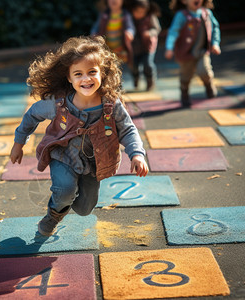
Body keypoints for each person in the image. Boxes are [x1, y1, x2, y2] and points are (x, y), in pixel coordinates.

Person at [9, 36, 149, 237]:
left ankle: (65, 203)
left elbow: (127, 129)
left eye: (92, 72)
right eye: (78, 74)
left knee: (84, 209)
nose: (86, 79)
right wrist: (19, 143)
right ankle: (53, 214)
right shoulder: (58, 104)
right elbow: (32, 115)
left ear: (102, 73)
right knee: (65, 190)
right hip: (63, 155)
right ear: (69, 78)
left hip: (93, 163)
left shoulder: (111, 104)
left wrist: (137, 154)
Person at [164, 0, 221, 107]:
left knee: (204, 71)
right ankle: (184, 92)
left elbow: (215, 28)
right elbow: (173, 31)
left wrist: (215, 43)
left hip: (202, 52)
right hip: (186, 54)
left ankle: (208, 85)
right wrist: (169, 47)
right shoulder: (181, 16)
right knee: (186, 76)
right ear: (184, 1)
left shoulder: (207, 13)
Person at [129, 0, 162, 91]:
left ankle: (150, 81)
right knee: (134, 66)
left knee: (148, 64)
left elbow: (157, 29)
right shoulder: (129, 18)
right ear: (132, 10)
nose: (140, 14)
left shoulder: (150, 17)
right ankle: (136, 79)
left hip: (148, 46)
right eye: (137, 12)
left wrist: (150, 33)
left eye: (142, 12)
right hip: (134, 47)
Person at [90, 0, 135, 66]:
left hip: (121, 50)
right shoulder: (104, 14)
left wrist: (130, 32)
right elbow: (96, 27)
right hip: (107, 50)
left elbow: (130, 26)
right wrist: (93, 34)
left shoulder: (125, 15)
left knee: (121, 69)